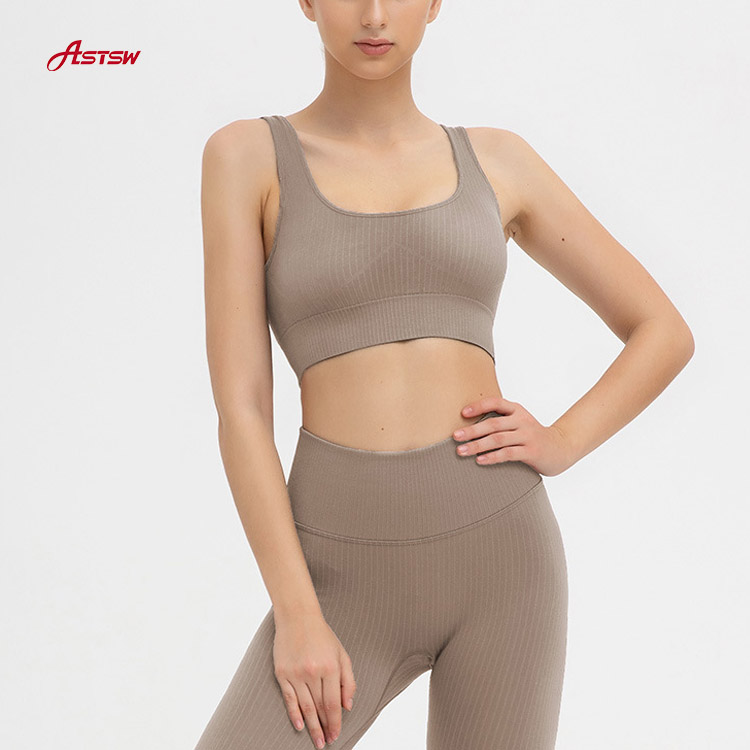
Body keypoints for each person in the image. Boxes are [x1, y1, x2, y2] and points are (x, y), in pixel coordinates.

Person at [194, 1, 694, 748]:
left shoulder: (499, 161)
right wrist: (297, 614)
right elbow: (242, 408)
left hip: (502, 558)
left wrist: (562, 441)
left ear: (434, 3)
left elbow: (662, 331)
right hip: (336, 572)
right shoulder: (246, 156)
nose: (373, 14)